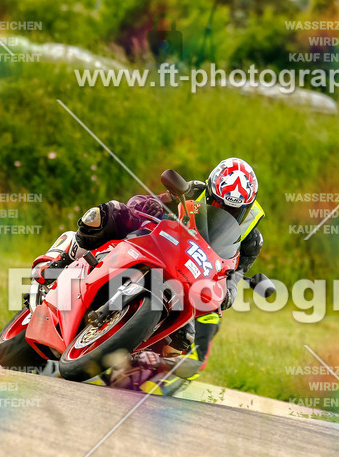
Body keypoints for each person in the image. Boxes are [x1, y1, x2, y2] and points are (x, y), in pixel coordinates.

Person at [30, 157, 264, 395]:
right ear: (211, 191)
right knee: (110, 214)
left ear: (246, 207)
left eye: (234, 209)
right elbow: (145, 202)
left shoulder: (251, 240)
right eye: (219, 203)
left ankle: (143, 366)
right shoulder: (193, 190)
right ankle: (61, 259)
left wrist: (230, 292)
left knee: (190, 336)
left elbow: (236, 275)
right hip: (159, 243)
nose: (225, 211)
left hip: (193, 278)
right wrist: (150, 206)